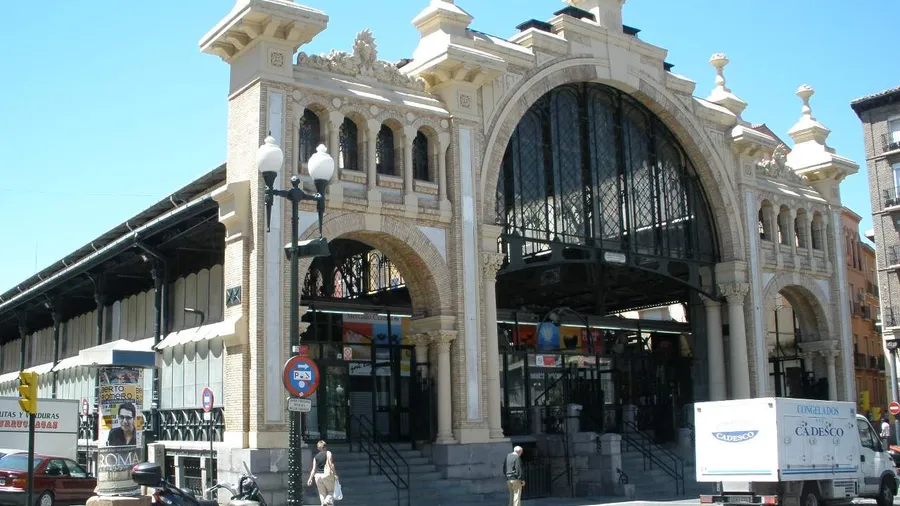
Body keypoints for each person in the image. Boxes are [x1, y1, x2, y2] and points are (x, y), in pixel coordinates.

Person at [307, 440, 338, 505]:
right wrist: (335, 474)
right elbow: (331, 464)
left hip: (317, 476)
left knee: (322, 493)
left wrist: (310, 479)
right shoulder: (328, 453)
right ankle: (327, 501)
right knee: (331, 491)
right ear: (325, 447)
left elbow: (313, 469)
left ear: (318, 448)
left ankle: (323, 503)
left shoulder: (315, 457)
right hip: (326, 475)